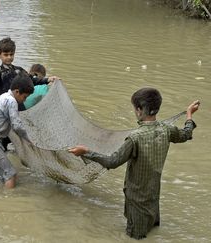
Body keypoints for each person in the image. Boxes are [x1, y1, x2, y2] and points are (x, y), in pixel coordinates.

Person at [68, 87, 200, 240]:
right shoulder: (167, 130)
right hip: (153, 195)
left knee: (134, 236)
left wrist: (86, 152)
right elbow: (186, 134)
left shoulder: (135, 138)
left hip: (136, 200)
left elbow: (112, 161)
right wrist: (189, 114)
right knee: (152, 230)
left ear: (139, 110)